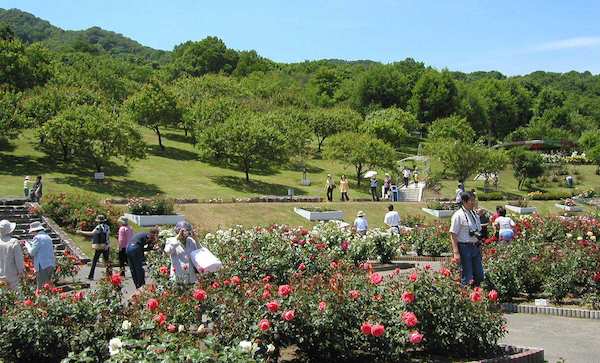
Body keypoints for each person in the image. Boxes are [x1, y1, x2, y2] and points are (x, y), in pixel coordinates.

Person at [449, 192, 484, 286]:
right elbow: (453, 234)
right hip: (464, 247)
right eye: (471, 200)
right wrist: (456, 252)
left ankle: (477, 294)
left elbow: (478, 232)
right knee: (467, 276)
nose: (473, 202)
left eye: (474, 200)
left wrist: (480, 247)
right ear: (464, 201)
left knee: (479, 275)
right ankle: (466, 296)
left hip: (475, 247)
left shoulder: (475, 214)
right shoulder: (458, 215)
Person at [77, 215, 111, 280]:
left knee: (94, 261)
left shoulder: (98, 227)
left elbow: (91, 233)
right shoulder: (107, 227)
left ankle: (91, 276)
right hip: (106, 246)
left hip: (99, 246)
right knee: (107, 261)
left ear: (98, 221)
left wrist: (81, 232)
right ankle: (109, 275)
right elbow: (108, 236)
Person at [25, 221, 55, 288]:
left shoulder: (37, 238)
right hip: (50, 263)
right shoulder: (48, 237)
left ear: (35, 230)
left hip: (42, 265)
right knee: (47, 285)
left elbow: (32, 252)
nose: (32, 234)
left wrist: (27, 245)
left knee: (41, 287)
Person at [0, 220, 24, 290]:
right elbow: (19, 259)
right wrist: (21, 272)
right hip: (12, 274)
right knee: (14, 296)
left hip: (1, 274)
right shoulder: (13, 242)